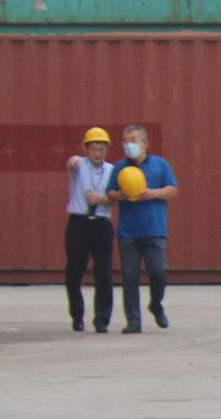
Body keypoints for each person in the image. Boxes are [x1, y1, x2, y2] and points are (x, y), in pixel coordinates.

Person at [112, 124, 179, 335]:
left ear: (145, 143)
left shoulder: (160, 165)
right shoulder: (119, 167)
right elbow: (110, 193)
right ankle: (133, 321)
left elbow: (173, 190)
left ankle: (156, 305)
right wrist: (123, 194)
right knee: (129, 278)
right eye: (125, 141)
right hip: (128, 232)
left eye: (133, 140)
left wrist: (152, 193)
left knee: (158, 273)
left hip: (154, 229)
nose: (128, 145)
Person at [63, 127, 119, 333]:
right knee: (74, 271)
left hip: (101, 224)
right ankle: (77, 315)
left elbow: (116, 200)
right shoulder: (79, 166)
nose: (97, 153)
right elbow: (71, 163)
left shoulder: (113, 170)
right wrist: (73, 160)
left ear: (107, 150)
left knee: (104, 273)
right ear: (86, 149)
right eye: (94, 149)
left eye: (101, 149)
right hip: (79, 223)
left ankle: (102, 319)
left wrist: (100, 199)